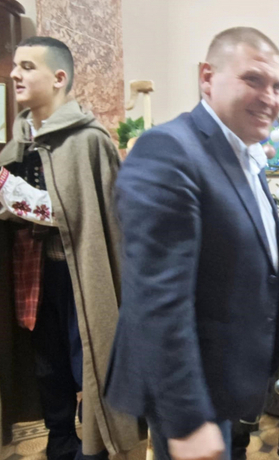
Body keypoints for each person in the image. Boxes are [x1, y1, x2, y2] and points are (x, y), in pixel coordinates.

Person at [104, 27, 279, 460]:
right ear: (207, 77)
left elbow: (248, 249)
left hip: (225, 380)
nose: (270, 98)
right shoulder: (169, 150)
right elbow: (157, 298)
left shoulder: (242, 153)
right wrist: (187, 421)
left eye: (277, 86)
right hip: (191, 388)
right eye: (253, 79)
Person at [0, 37, 141, 460]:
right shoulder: (18, 141)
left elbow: (80, 213)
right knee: (48, 368)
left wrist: (10, 191)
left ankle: (97, 448)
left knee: (90, 365)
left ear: (59, 78)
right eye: (15, 65)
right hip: (33, 274)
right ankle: (60, 443)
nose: (15, 74)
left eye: (28, 66)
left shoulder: (87, 140)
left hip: (80, 272)